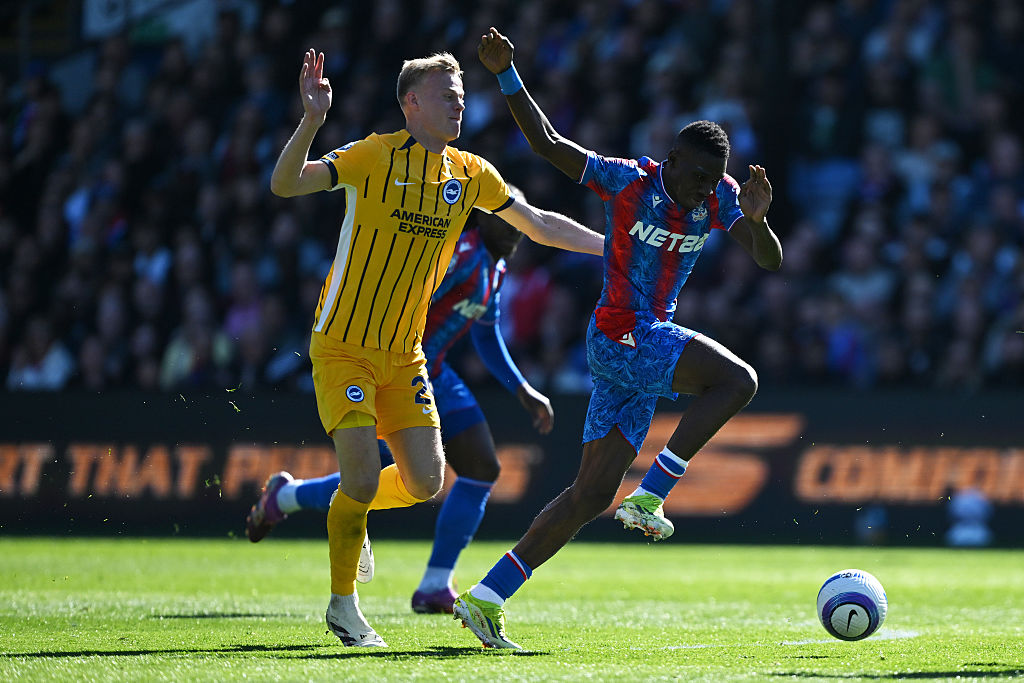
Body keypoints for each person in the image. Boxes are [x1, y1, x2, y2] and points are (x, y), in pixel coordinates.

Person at [452, 28, 784, 649]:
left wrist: (760, 224)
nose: (704, 190)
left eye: (715, 180)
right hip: (620, 336)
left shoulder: (720, 199)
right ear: (672, 160)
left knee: (589, 493)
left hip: (634, 348)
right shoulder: (628, 180)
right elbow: (549, 145)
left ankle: (486, 597)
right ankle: (654, 493)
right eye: (697, 177)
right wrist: (506, 76)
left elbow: (768, 260)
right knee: (738, 381)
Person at [268, 48, 603, 648]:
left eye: (462, 92)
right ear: (411, 103)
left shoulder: (470, 173)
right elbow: (286, 183)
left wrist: (614, 248)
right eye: (446, 92)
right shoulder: (373, 154)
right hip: (343, 346)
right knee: (364, 480)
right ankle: (343, 606)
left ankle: (352, 510)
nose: (459, 101)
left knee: (426, 483)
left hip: (405, 354)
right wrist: (312, 121)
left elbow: (537, 222)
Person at [245, 186, 559, 616]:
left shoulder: (496, 267)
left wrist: (521, 388)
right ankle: (286, 498)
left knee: (482, 467)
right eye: (509, 217)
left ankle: (434, 585)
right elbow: (407, 293)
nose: (519, 228)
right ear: (483, 218)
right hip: (395, 370)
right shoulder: (459, 254)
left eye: (523, 218)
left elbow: (486, 333)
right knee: (366, 480)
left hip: (438, 374)